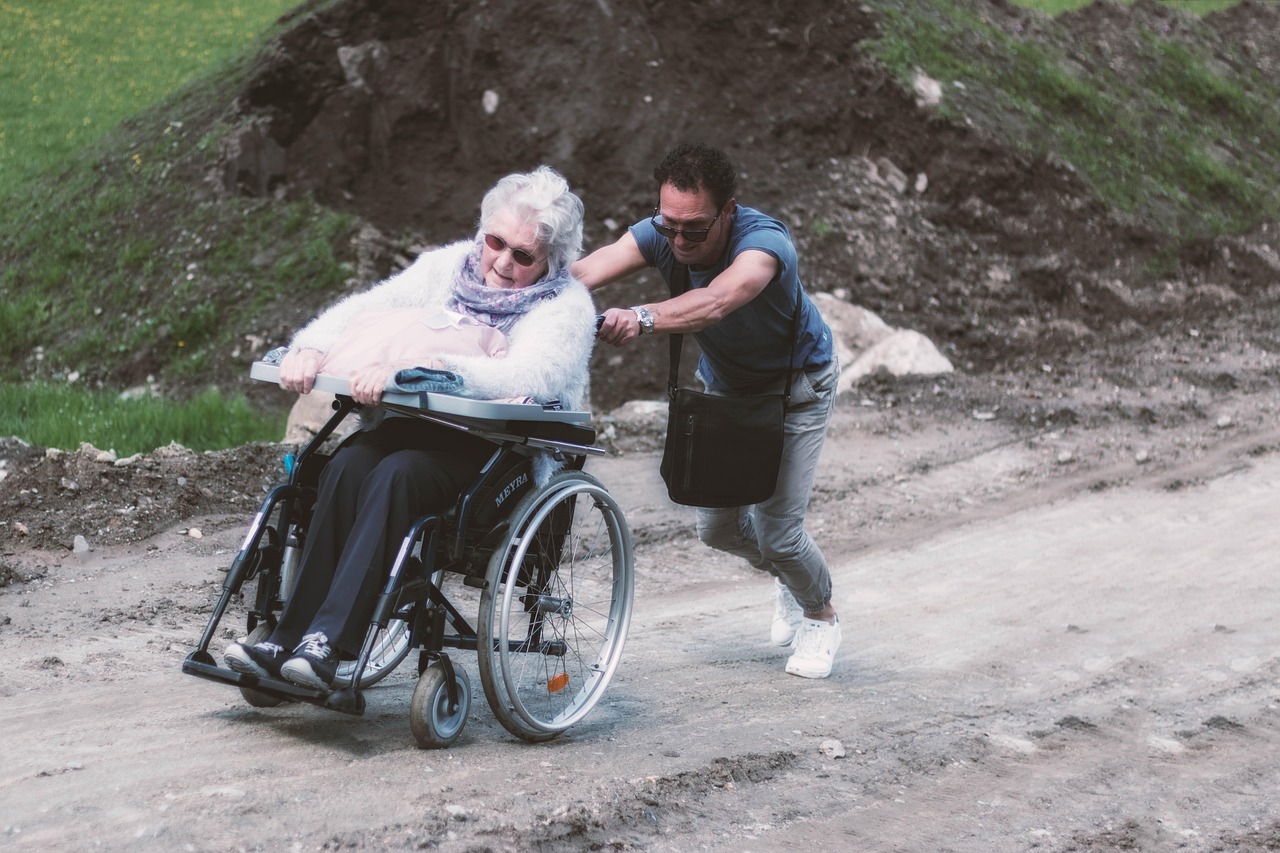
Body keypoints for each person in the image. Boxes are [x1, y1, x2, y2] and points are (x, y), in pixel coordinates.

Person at [224, 166, 596, 690]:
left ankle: (331, 643)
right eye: (495, 242)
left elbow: (525, 375)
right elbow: (369, 309)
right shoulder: (446, 267)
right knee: (348, 463)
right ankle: (289, 636)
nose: (502, 262)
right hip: (414, 425)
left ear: (551, 261)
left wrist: (426, 372)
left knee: (397, 475)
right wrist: (313, 345)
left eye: (523, 255)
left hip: (493, 450)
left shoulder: (566, 307)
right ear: (482, 233)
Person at [572, 143, 842, 679]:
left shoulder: (764, 244)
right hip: (726, 390)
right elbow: (586, 270)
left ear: (729, 212)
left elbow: (718, 300)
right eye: (668, 225)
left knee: (778, 534)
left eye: (693, 229)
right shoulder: (665, 231)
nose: (677, 241)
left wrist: (643, 317)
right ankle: (792, 578)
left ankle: (821, 614)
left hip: (796, 392)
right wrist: (510, 290)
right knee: (716, 530)